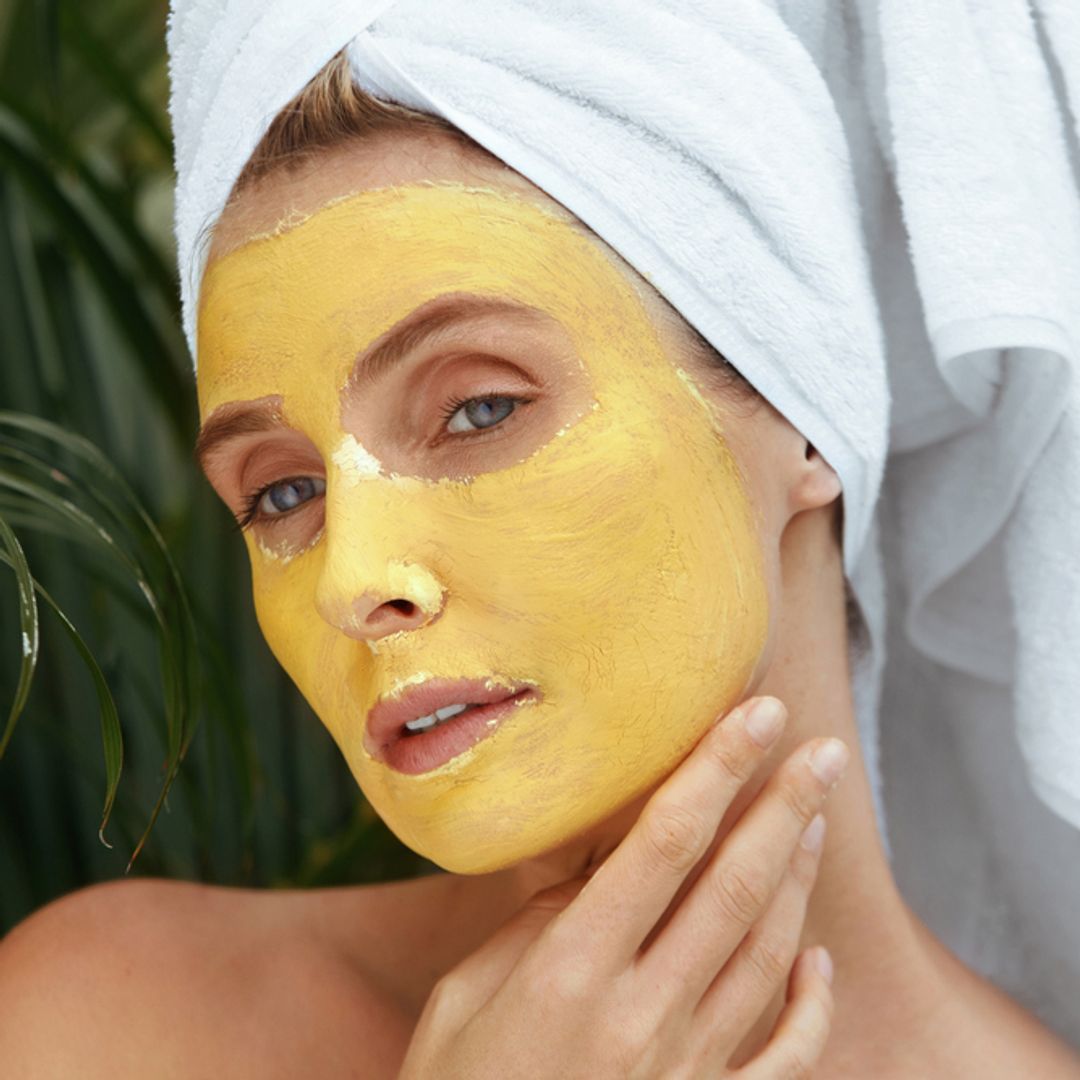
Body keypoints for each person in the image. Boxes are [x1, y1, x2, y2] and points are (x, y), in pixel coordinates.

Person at [3, 3, 1080, 1076]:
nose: (352, 579)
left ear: (799, 409)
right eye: (284, 493)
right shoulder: (105, 1028)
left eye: (479, 409)